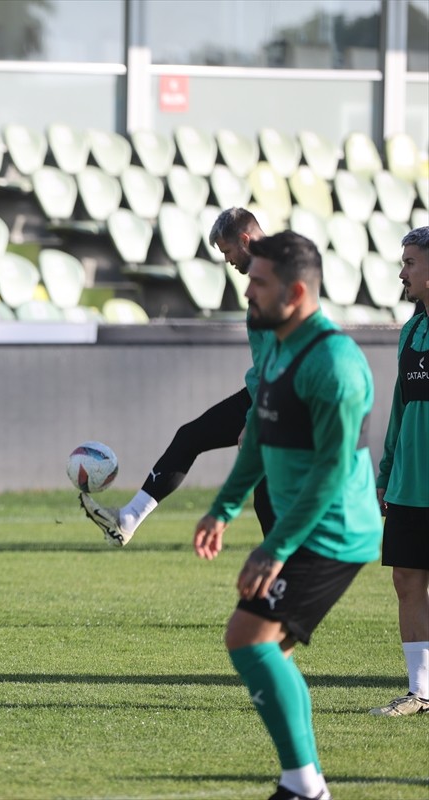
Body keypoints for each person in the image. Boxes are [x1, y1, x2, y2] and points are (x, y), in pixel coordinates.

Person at [192, 231, 381, 800]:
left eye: (258, 282)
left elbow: (330, 471)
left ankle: (304, 785)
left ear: (296, 291)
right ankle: (302, 782)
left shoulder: (335, 363)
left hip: (334, 532)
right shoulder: (274, 343)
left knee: (249, 640)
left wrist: (274, 548)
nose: (247, 290)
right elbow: (256, 436)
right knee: (262, 644)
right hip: (308, 524)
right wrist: (224, 507)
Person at [82, 207, 275, 546]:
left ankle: (290, 579)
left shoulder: (274, 282)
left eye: (228, 251)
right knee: (191, 437)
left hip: (282, 400)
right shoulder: (270, 275)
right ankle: (128, 518)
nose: (227, 260)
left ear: (245, 239)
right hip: (266, 392)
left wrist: (255, 419)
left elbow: (282, 360)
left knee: (268, 496)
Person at [370, 225, 429, 717]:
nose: (402, 271)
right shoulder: (410, 332)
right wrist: (386, 471)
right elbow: (400, 407)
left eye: (411, 262)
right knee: (408, 581)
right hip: (410, 484)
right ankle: (421, 692)